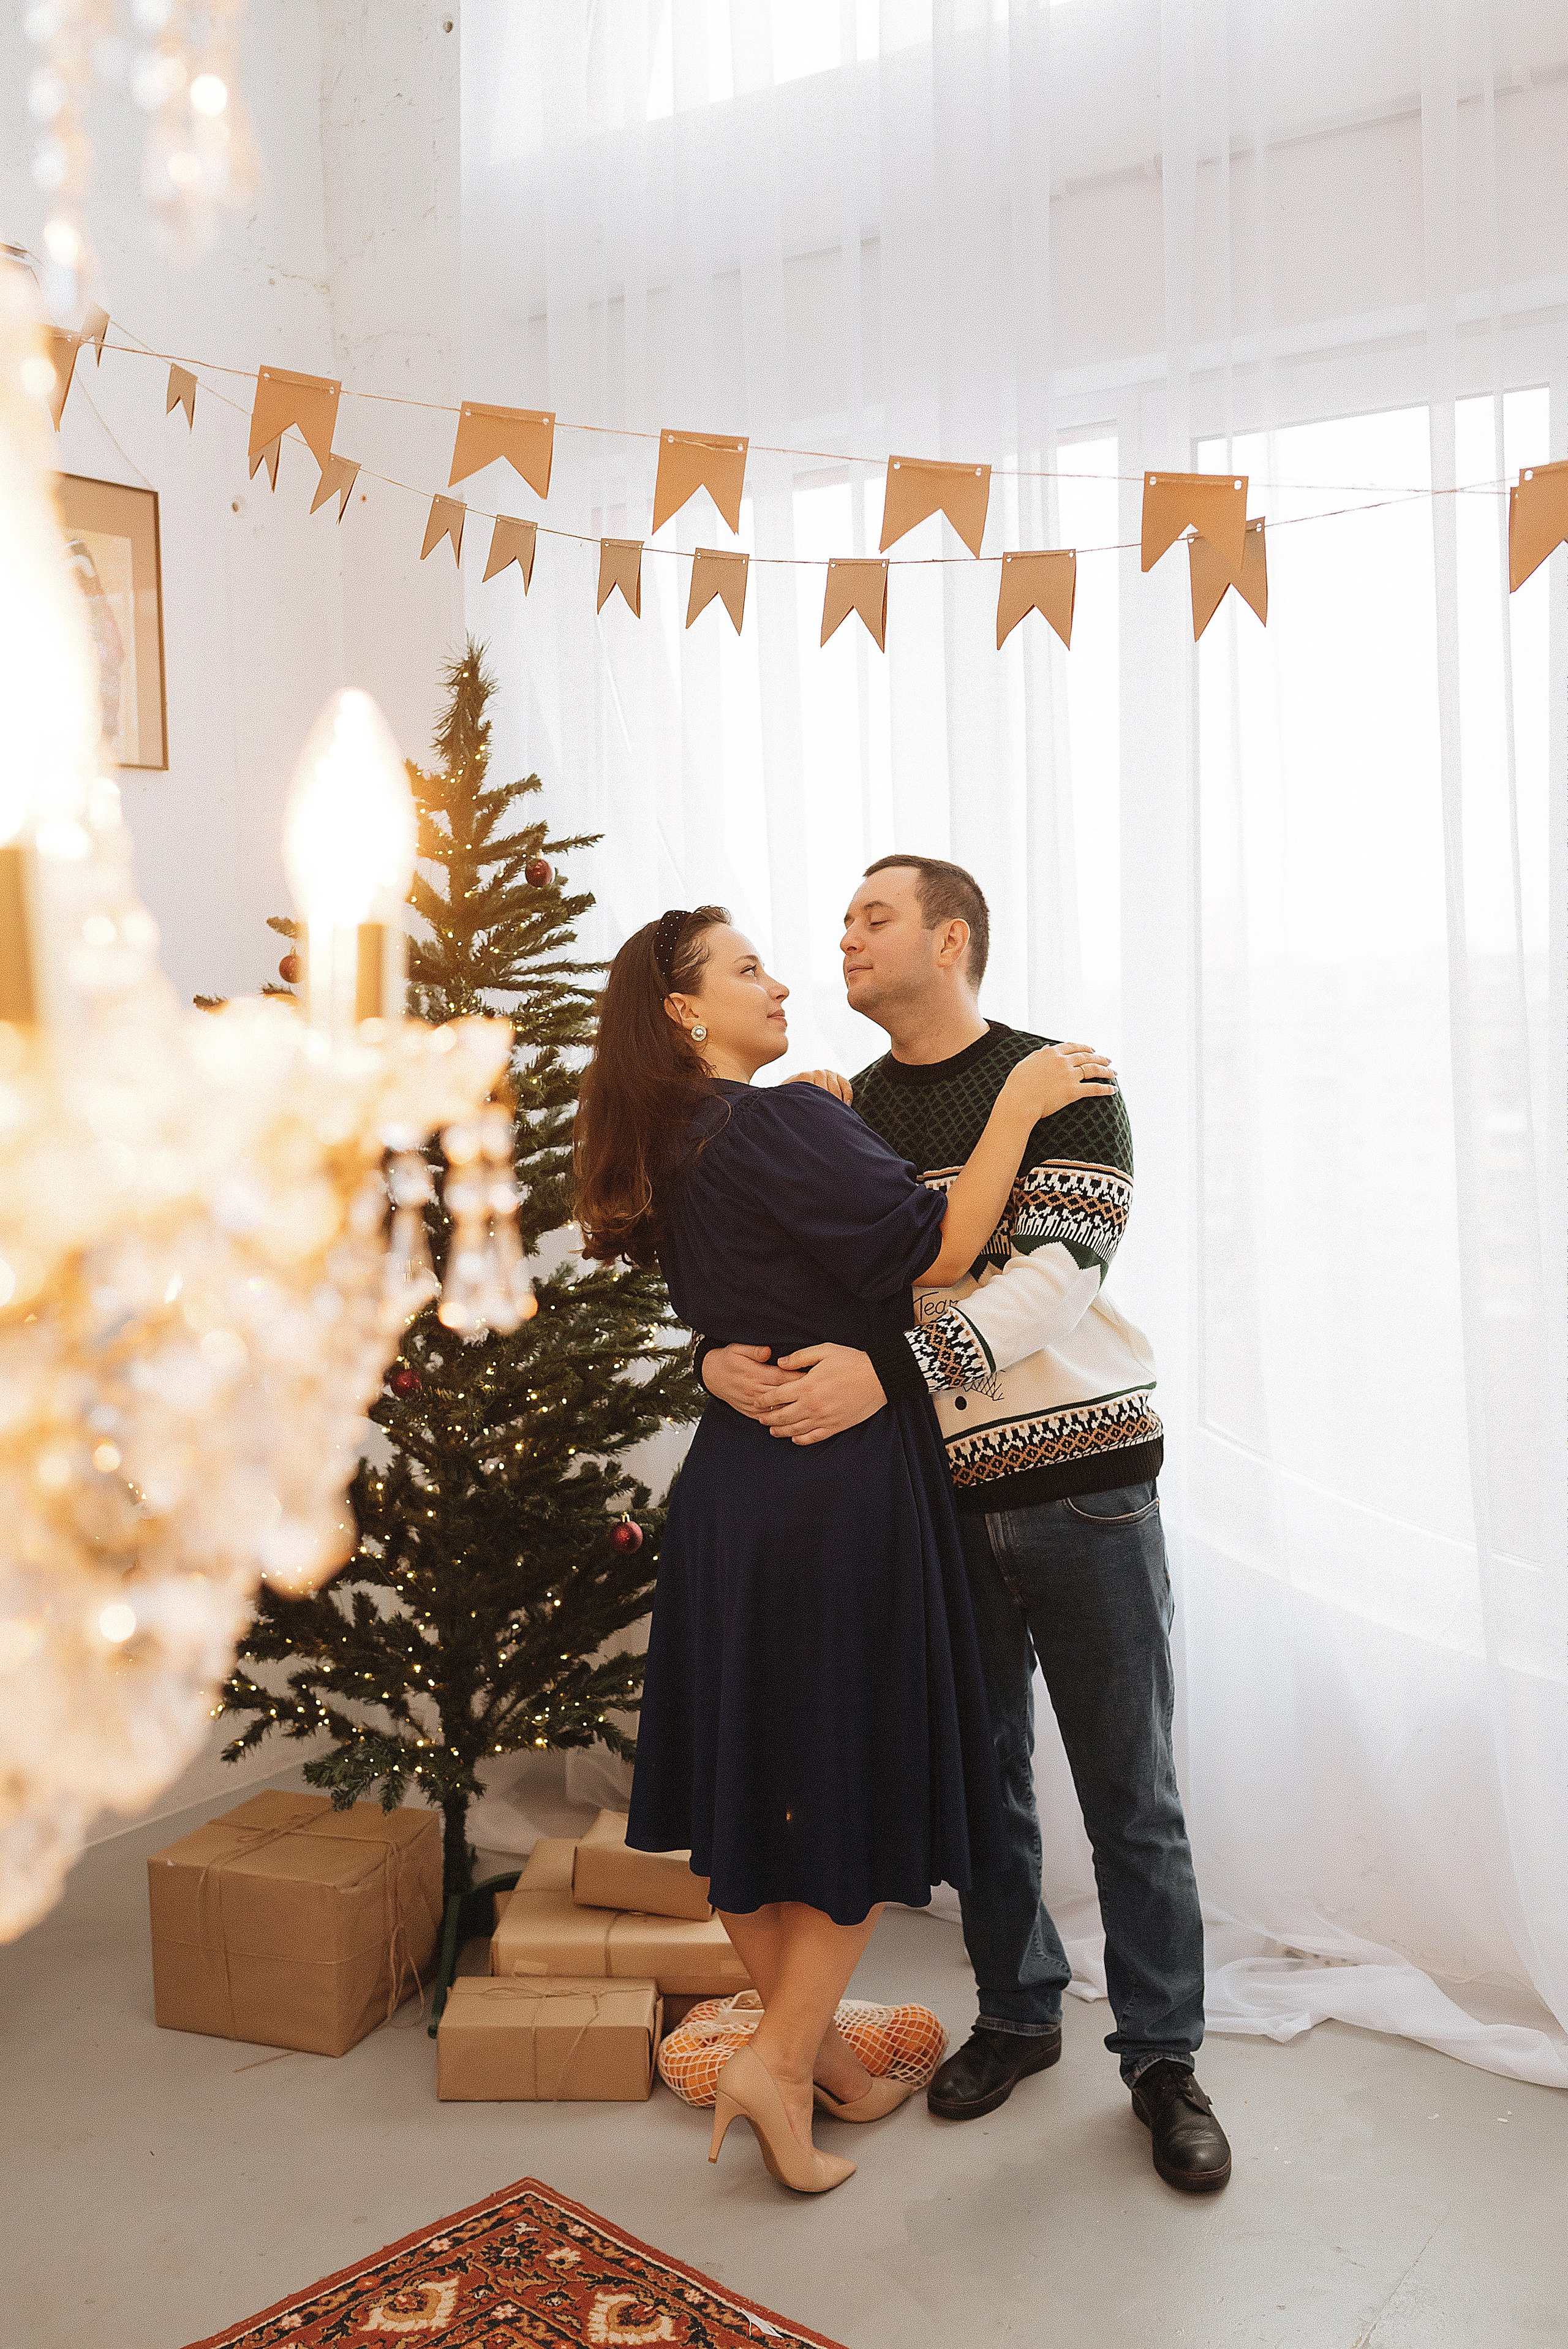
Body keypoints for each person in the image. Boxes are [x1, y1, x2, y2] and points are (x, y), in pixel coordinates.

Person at [698, 856, 1233, 2196]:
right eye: (835, 923)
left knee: (1131, 1793)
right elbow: (806, 1282)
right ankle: (1015, 2016)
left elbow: (1057, 1277)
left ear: (949, 939)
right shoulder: (841, 1111)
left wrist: (898, 1367)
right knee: (981, 1786)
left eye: (871, 917)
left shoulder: (1062, 1080)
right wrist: (716, 1359)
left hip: (1084, 1482)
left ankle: (1162, 2060)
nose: (841, 939)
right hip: (929, 1508)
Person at [573, 904, 1115, 2196]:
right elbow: (941, 1246)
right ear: (680, 1012)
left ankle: (807, 2061)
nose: (782, 982)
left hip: (733, 1490)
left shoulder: (676, 1139)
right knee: (851, 1776)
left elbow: (739, 1287)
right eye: (746, 968)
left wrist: (815, 1128)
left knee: (752, 1784)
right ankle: (779, 2056)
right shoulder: (776, 1121)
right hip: (835, 1486)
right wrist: (1021, 1102)